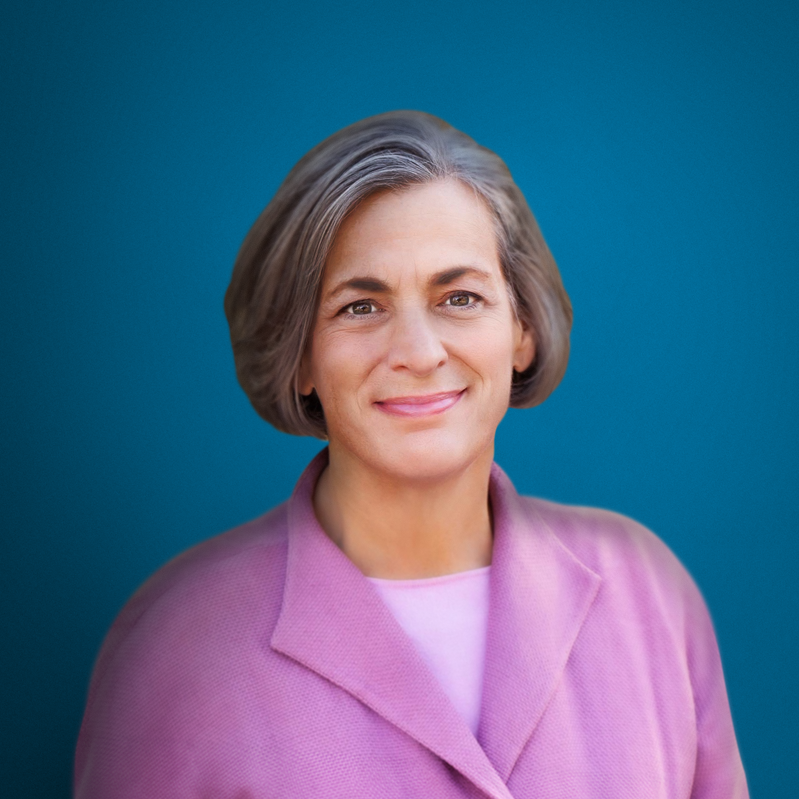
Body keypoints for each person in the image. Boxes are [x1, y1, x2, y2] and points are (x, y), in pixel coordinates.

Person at [74, 111, 748, 798]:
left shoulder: (650, 597)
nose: (420, 353)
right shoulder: (177, 645)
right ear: (300, 355)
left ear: (520, 329)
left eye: (459, 297)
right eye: (361, 308)